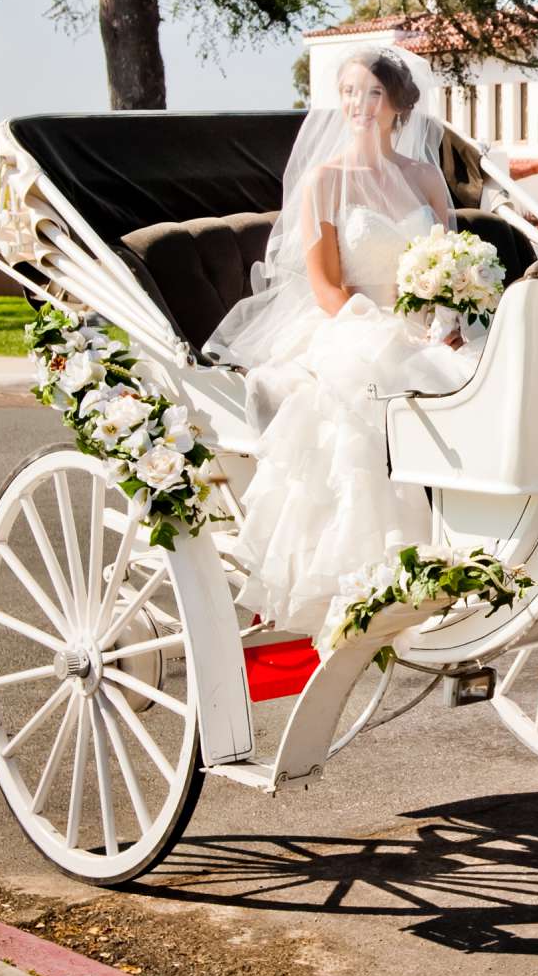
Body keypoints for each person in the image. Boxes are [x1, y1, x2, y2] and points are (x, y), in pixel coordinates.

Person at [204, 47, 480, 634]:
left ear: (397, 105)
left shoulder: (425, 178)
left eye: (372, 94)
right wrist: (380, 327)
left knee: (475, 373)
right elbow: (327, 286)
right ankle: (372, 565)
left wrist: (447, 321)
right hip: (349, 323)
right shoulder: (324, 183)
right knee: (372, 384)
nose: (358, 105)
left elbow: (451, 267)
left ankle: (474, 539)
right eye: (349, 92)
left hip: (425, 325)